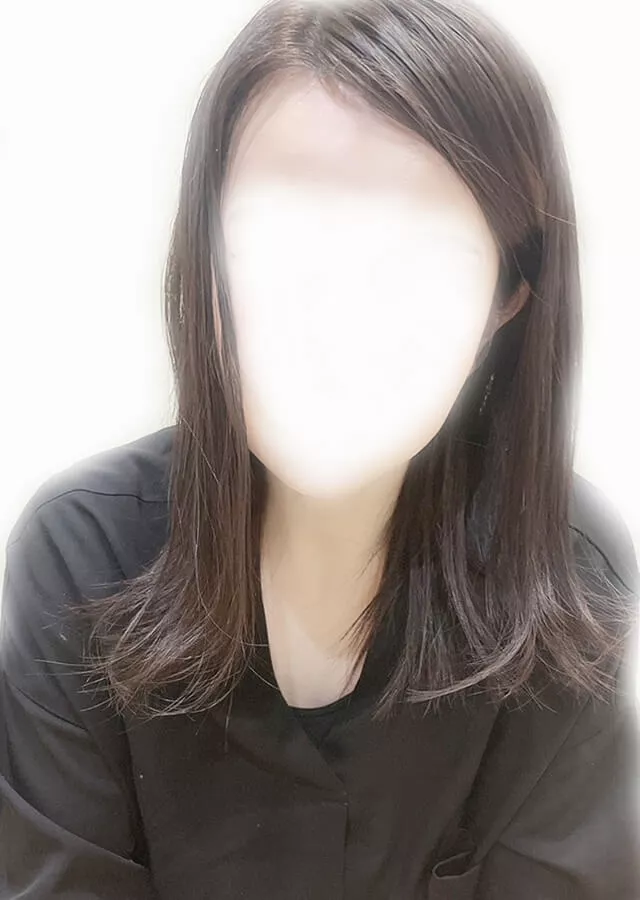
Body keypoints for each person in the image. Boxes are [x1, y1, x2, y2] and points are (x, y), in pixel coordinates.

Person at [1, 0, 639, 897]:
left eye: (420, 257)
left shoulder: (567, 579)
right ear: (204, 263)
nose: (337, 320)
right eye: (275, 245)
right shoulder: (82, 556)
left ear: (508, 298)